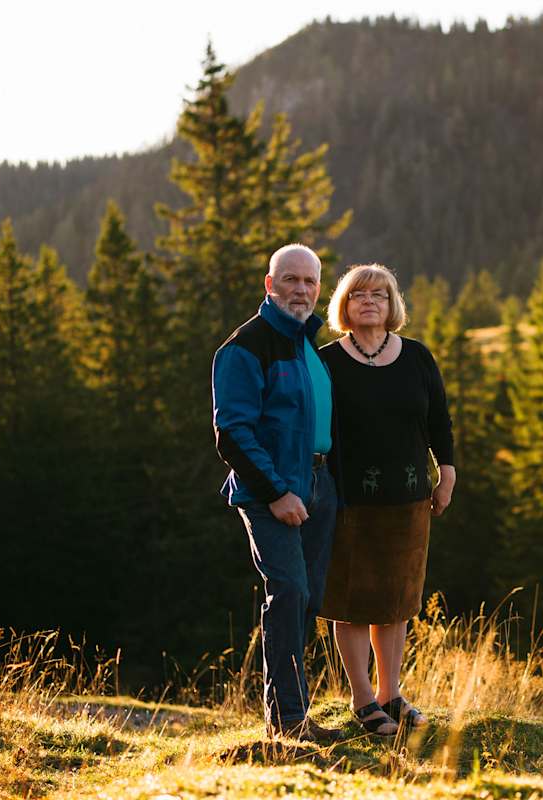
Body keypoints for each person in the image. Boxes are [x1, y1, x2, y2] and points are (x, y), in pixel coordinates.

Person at [211, 243, 342, 743]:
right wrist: (277, 492)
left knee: (307, 601)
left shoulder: (307, 346)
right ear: (270, 284)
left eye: (310, 281)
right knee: (288, 592)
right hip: (272, 492)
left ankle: (294, 711)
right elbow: (232, 432)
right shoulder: (245, 346)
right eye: (290, 279)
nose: (301, 290)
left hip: (319, 486)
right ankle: (287, 722)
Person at [318, 263, 455, 736]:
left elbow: (439, 420)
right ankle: (362, 699)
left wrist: (447, 471)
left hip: (410, 498)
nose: (369, 301)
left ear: (392, 303)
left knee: (397, 599)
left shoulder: (416, 356)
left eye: (379, 294)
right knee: (352, 600)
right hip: (349, 500)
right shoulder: (327, 361)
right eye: (359, 295)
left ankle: (390, 694)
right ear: (344, 305)